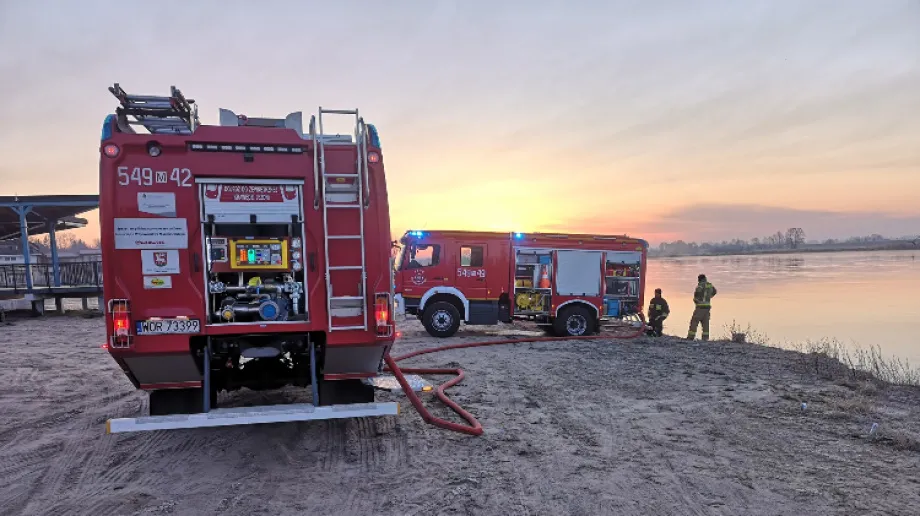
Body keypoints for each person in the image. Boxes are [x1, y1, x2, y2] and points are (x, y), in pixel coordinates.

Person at [687, 274, 717, 341]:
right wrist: (709, 297)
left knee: (694, 322)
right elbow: (715, 291)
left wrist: (696, 300)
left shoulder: (700, 285)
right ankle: (705, 339)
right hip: (707, 307)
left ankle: (690, 337)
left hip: (700, 307)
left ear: (699, 279)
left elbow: (697, 293)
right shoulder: (710, 285)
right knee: (705, 324)